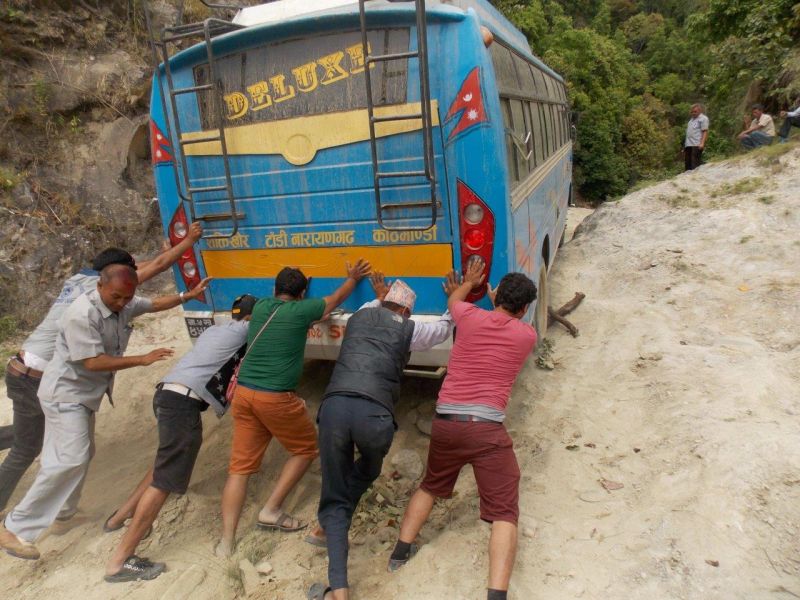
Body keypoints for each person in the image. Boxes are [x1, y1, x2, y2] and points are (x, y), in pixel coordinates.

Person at [0, 263, 211, 560]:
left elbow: (152, 305)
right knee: (69, 458)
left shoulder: (122, 301)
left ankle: (63, 514)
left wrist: (186, 296)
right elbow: (92, 362)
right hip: (64, 394)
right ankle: (14, 527)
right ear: (99, 286)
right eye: (116, 297)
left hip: (82, 396)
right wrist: (142, 359)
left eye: (127, 297)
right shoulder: (81, 314)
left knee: (81, 454)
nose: (122, 303)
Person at [389, 260, 539, 600]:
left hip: (446, 423)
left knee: (430, 485)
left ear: (497, 295)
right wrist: (500, 303)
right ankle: (496, 594)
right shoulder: (526, 335)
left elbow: (454, 300)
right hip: (486, 431)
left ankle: (399, 554)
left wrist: (470, 283)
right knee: (504, 512)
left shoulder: (468, 315)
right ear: (524, 309)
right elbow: (509, 322)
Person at [306, 273, 456, 600]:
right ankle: (330, 540)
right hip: (374, 417)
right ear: (406, 311)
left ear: (384, 302)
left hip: (335, 410)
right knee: (369, 468)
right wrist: (452, 301)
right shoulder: (409, 328)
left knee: (334, 496)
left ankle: (334, 560)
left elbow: (373, 307)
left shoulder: (359, 317)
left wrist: (378, 295)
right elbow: (444, 329)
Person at [215, 259, 371, 557]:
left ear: (275, 290)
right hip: (275, 398)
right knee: (305, 450)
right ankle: (271, 510)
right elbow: (335, 299)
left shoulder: (262, 306)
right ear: (301, 295)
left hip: (244, 395)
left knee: (239, 469)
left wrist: (299, 292)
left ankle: (226, 541)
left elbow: (293, 306)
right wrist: (352, 278)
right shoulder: (302, 311)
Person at [103, 293, 257, 582]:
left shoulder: (216, 329)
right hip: (183, 403)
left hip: (167, 394)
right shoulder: (245, 329)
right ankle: (119, 561)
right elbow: (276, 318)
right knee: (164, 482)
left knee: (163, 463)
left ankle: (118, 517)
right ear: (251, 317)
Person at [684, 103, 709, 171]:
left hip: (697, 144)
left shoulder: (703, 118)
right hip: (688, 144)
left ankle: (699, 174)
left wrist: (702, 143)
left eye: (695, 111)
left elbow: (705, 131)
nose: (693, 113)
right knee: (688, 163)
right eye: (692, 112)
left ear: (700, 111)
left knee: (695, 163)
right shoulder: (691, 121)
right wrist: (684, 146)